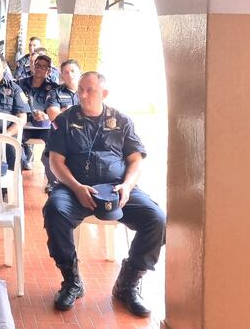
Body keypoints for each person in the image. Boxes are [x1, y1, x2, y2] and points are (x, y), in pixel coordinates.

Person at [43, 72, 166, 317]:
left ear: (104, 94)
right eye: (81, 89)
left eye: (90, 90)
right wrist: (76, 187)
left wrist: (128, 187)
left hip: (117, 189)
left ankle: (128, 284)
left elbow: (135, 160)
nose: (83, 95)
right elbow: (56, 161)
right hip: (74, 188)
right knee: (54, 211)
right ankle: (71, 280)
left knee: (156, 219)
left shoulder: (121, 120)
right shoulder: (65, 121)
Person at [42, 59, 82, 191]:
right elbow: (54, 116)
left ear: (79, 73)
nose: (69, 74)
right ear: (62, 75)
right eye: (66, 72)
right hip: (62, 134)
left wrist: (66, 112)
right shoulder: (55, 93)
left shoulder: (86, 92)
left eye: (72, 71)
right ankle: (54, 184)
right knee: (48, 155)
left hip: (84, 135)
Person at [17, 54, 58, 171]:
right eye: (38, 65)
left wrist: (46, 116)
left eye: (44, 67)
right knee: (14, 142)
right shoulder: (20, 84)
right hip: (24, 125)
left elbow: (55, 108)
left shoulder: (53, 88)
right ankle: (23, 161)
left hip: (44, 127)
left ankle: (52, 178)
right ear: (33, 67)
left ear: (49, 71)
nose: (39, 69)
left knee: (54, 143)